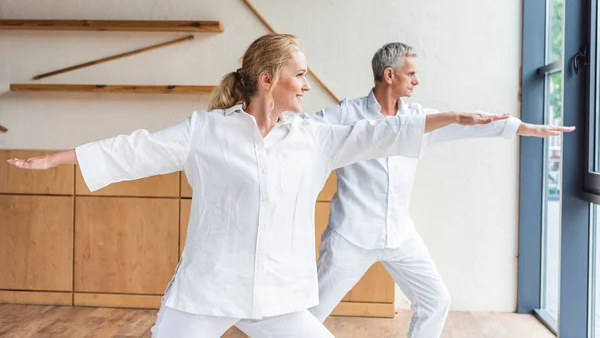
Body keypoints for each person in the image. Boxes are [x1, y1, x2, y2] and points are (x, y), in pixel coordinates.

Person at [7, 34, 510, 338]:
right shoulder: (207, 132)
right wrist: (64, 156)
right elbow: (136, 149)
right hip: (205, 292)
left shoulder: (314, 139)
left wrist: (451, 117)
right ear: (268, 79)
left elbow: (380, 131)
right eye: (300, 74)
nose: (308, 85)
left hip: (278, 298)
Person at [304, 42, 575, 338]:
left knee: (436, 301)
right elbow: (305, 129)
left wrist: (526, 128)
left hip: (399, 235)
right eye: (411, 74)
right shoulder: (347, 113)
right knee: (309, 315)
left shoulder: (421, 118)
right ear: (389, 75)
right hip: (351, 236)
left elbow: (471, 123)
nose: (417, 81)